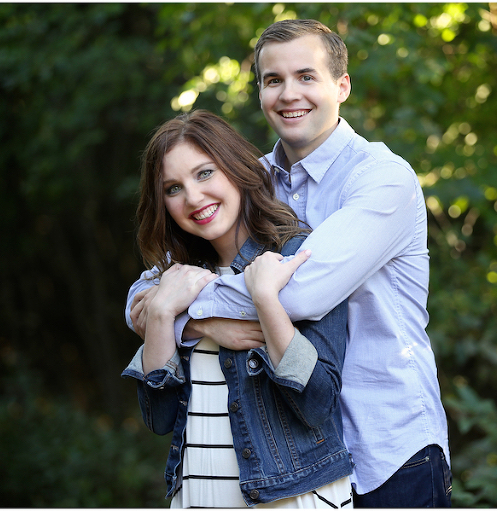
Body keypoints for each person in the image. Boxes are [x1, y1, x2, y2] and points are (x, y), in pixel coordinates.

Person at [127, 20, 452, 507]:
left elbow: (298, 293)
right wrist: (185, 319)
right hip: (299, 458)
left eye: (306, 76)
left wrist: (195, 316)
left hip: (388, 446)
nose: (288, 93)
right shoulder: (248, 181)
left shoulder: (383, 179)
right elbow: (143, 295)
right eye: (272, 80)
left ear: (341, 86)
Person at [121, 110, 354, 508]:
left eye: (205, 173)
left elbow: (317, 403)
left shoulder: (297, 256)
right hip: (197, 496)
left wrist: (265, 301)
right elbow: (158, 418)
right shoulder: (173, 280)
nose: (193, 197)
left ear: (236, 168)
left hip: (293, 496)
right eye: (173, 188)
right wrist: (168, 317)